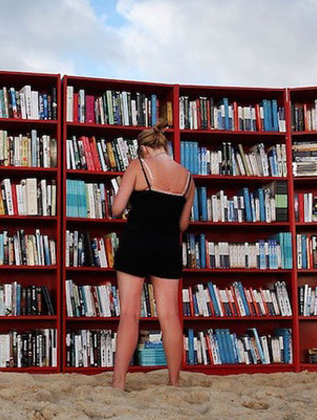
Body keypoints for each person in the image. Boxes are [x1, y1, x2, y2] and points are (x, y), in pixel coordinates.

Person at [110, 118, 194, 390]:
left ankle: (119, 382)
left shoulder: (138, 166)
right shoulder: (187, 178)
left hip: (136, 244)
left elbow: (116, 209)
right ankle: (174, 381)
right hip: (167, 248)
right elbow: (183, 225)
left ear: (144, 149)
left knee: (129, 314)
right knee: (169, 315)